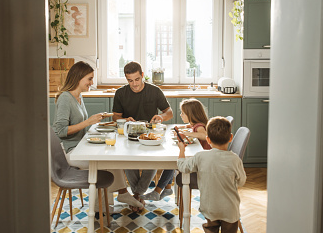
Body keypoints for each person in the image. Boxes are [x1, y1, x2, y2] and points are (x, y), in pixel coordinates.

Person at [52, 61, 144, 211]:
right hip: (71, 152)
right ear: (78, 78)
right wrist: (88, 122)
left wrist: (110, 118)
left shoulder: (78, 97)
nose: (91, 82)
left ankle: (114, 199)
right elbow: (60, 130)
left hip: (81, 147)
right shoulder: (65, 98)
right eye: (89, 78)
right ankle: (102, 206)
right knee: (107, 162)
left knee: (112, 157)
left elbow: (82, 123)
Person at [177, 117, 247, 233]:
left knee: (211, 231)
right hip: (230, 209)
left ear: (207, 139)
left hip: (210, 207)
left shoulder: (201, 156)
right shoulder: (235, 160)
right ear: (230, 137)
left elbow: (183, 167)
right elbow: (241, 181)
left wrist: (181, 149)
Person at [112, 61, 174, 211]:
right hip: (129, 135)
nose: (134, 84)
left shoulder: (154, 91)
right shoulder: (121, 93)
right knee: (127, 162)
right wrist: (123, 120)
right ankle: (138, 195)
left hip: (150, 135)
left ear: (142, 75)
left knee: (152, 161)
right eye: (130, 81)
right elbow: (115, 117)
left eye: (137, 79)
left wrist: (161, 117)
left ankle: (137, 195)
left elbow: (169, 112)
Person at [141, 98, 211, 201]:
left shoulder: (200, 126)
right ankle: (167, 188)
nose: (181, 115)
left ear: (191, 114)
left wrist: (186, 133)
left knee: (175, 161)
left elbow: (203, 135)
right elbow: (190, 127)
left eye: (183, 113)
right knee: (174, 160)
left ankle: (158, 191)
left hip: (201, 163)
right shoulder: (195, 124)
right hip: (199, 158)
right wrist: (182, 128)